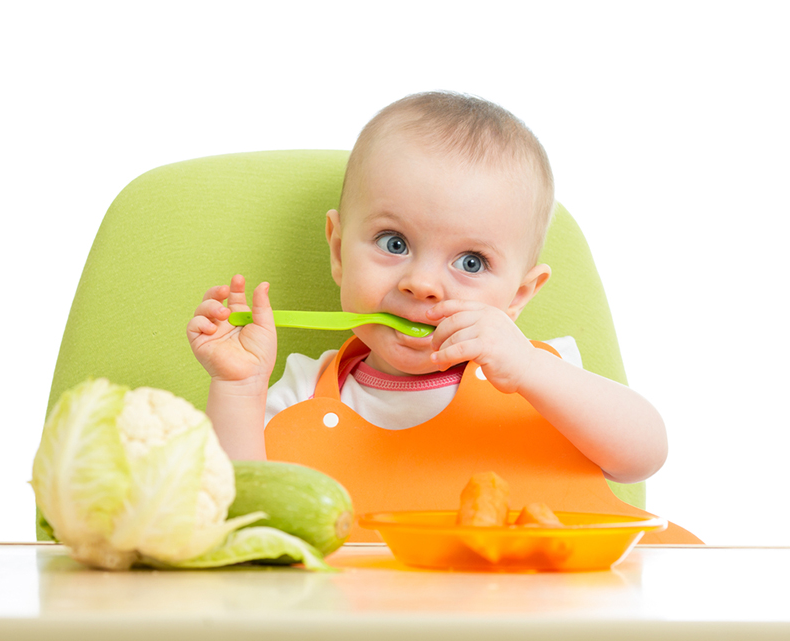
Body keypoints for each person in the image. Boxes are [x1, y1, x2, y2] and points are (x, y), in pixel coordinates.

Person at [186, 91, 667, 487]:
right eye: (393, 243)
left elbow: (642, 456)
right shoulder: (303, 393)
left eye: (471, 262)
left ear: (519, 296)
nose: (421, 284)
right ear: (337, 252)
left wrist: (529, 368)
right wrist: (240, 387)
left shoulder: (542, 379)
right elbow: (239, 504)